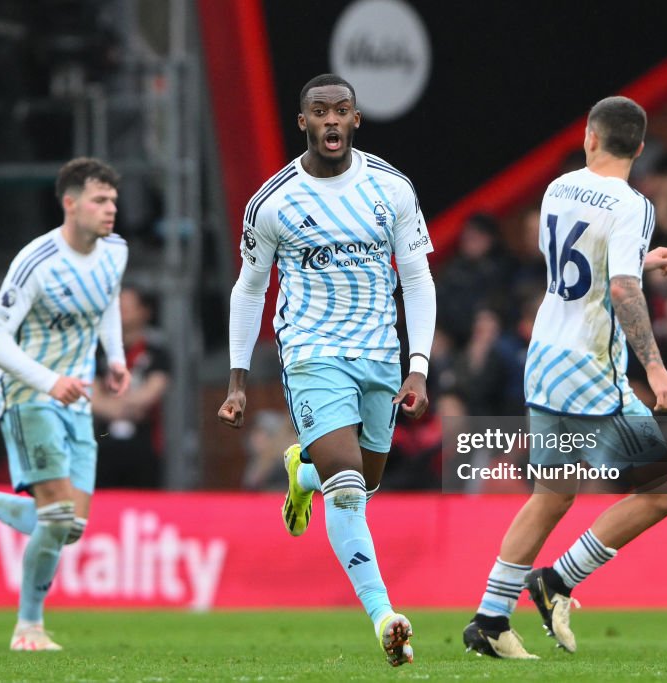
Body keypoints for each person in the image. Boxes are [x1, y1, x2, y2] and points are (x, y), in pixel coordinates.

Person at [217, 73, 436, 667]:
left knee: (366, 479)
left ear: (356, 120)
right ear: (303, 122)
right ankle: (385, 616)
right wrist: (238, 380)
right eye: (320, 111)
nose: (332, 120)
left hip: (381, 355)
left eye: (342, 111)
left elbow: (415, 278)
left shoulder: (390, 188)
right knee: (348, 491)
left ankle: (301, 472)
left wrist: (417, 365)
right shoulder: (272, 201)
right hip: (313, 353)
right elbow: (250, 288)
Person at [462, 96, 667, 660]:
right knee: (663, 491)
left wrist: (638, 259)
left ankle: (490, 618)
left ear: (589, 137)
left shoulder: (558, 188)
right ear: (638, 147)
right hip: (590, 364)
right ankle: (557, 580)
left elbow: (569, 267)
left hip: (544, 354)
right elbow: (618, 289)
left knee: (553, 493)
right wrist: (654, 366)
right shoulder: (633, 203)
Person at [0, 157, 129, 651]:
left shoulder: (115, 251)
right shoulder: (37, 261)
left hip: (76, 397)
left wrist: (116, 357)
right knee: (58, 516)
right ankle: (28, 627)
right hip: (29, 396)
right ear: (70, 203)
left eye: (114, 201)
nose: (111, 210)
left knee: (72, 528)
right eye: (100, 200)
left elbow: (106, 300)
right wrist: (47, 380)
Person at [92, 285, 170, 488]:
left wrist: (114, 403)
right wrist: (117, 408)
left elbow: (153, 391)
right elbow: (91, 395)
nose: (121, 312)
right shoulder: (100, 352)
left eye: (128, 307)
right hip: (104, 440)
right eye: (118, 307)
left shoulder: (156, 352)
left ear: (144, 312)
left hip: (144, 443)